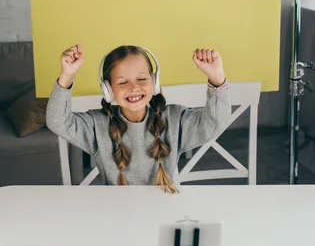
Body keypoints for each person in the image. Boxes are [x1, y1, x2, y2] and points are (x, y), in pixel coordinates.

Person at [46, 44, 231, 193]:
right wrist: (67, 76)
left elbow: (215, 123)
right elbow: (57, 121)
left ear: (154, 82)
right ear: (108, 90)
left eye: (142, 79)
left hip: (164, 212)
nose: (134, 87)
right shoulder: (96, 125)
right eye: (122, 82)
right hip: (118, 217)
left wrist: (216, 78)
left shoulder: (175, 119)